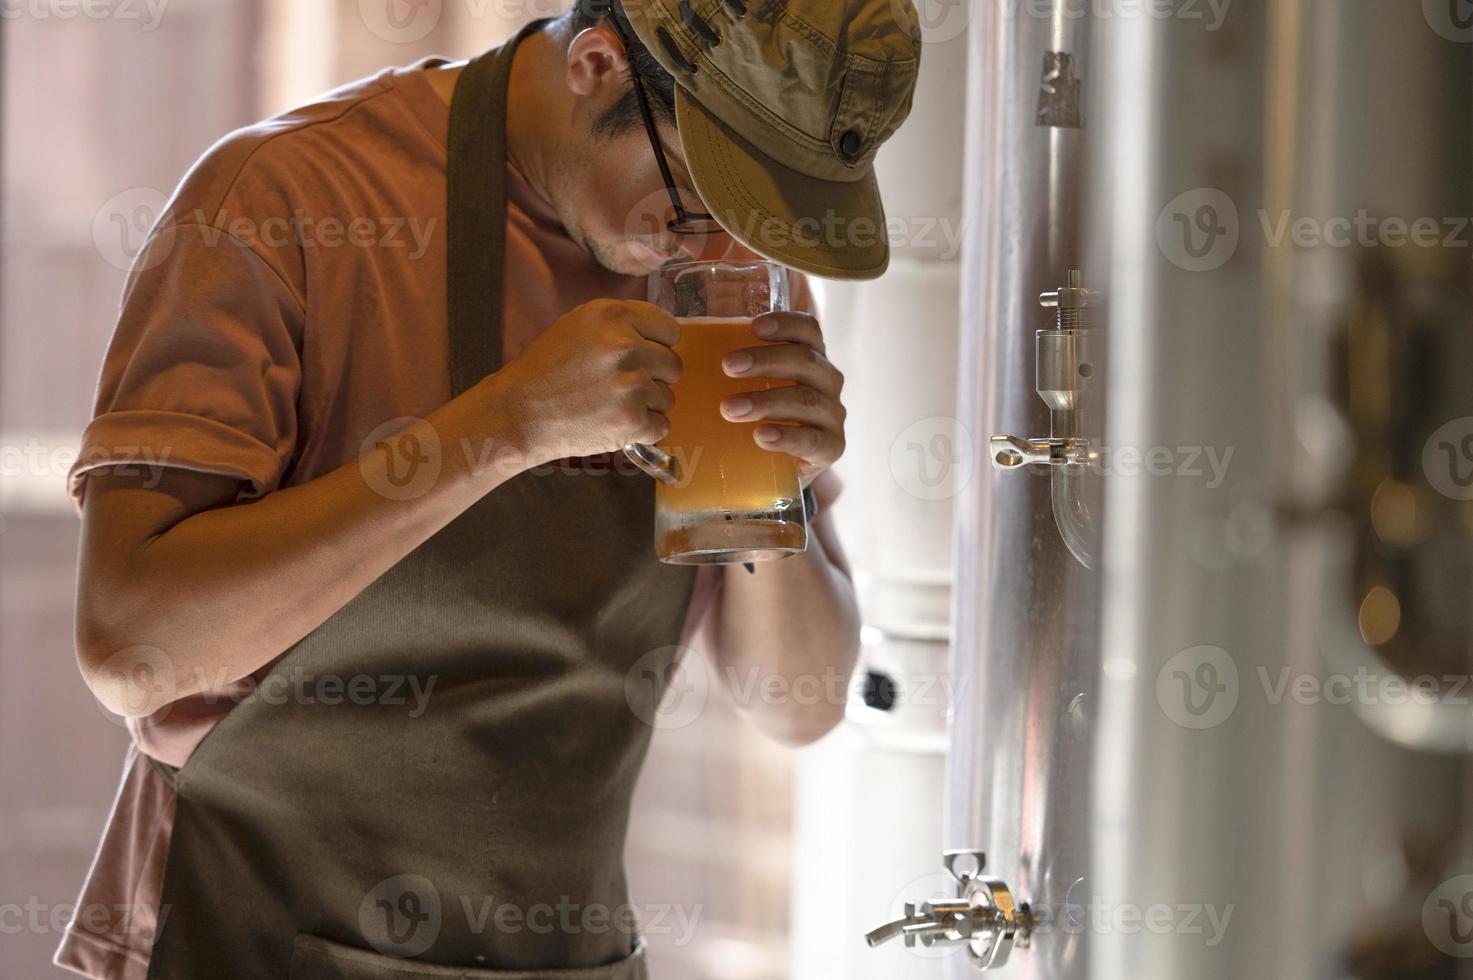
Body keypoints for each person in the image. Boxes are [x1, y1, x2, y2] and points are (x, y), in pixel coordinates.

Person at [58, 0, 921, 977]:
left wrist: (781, 496)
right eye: (694, 195)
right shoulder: (282, 198)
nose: (711, 248)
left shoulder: (724, 261)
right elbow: (132, 648)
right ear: (597, 63)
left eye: (757, 221)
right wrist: (505, 427)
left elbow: (792, 704)